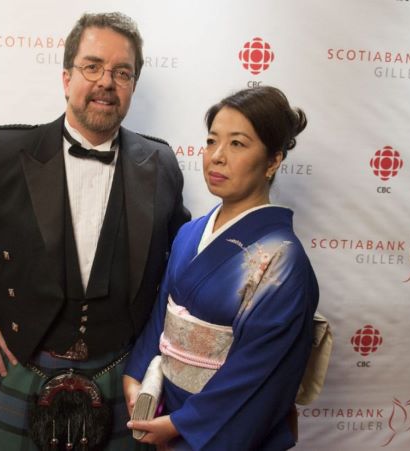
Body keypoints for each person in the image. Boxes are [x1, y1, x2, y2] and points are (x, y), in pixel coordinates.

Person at [0, 12, 189, 451]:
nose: (107, 81)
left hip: (119, 373)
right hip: (22, 366)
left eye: (122, 72)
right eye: (92, 66)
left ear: (133, 86)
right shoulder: (7, 153)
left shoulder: (159, 165)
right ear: (66, 77)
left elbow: (182, 263)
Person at [124, 86, 318, 450]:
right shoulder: (189, 233)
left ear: (273, 160)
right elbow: (160, 318)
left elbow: (260, 375)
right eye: (212, 141)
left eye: (238, 144)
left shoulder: (282, 261)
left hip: (210, 427)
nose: (217, 156)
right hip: (163, 410)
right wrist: (136, 378)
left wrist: (183, 425)